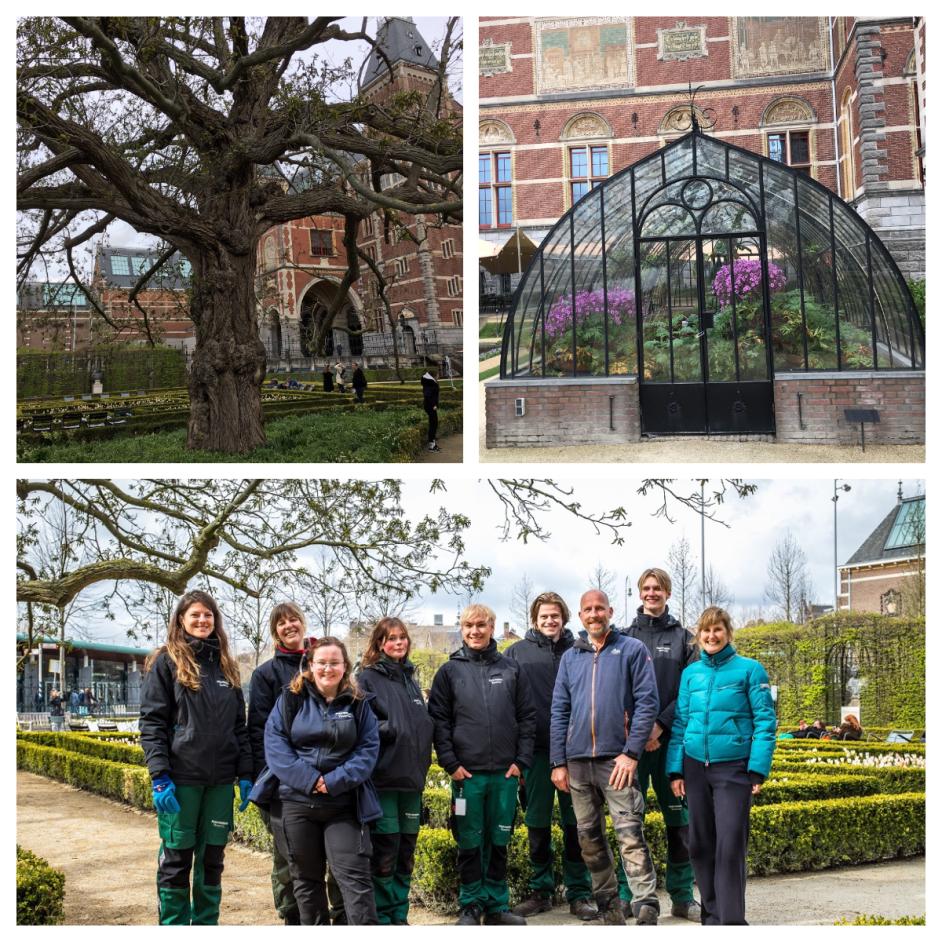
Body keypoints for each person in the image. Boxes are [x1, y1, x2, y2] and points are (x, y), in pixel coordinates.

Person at [139, 590, 253, 925]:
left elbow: (239, 728)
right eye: (195, 615)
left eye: (208, 615)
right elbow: (152, 723)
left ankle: (206, 924)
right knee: (176, 858)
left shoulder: (227, 668)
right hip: (181, 780)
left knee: (212, 860)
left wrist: (245, 774)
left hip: (219, 784)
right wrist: (159, 776)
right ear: (181, 620)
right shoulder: (165, 662)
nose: (202, 621)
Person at [549, 589, 661, 926]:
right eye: (588, 609)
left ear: (610, 611)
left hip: (618, 762)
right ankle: (609, 907)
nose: (594, 614)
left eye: (600, 608)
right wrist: (558, 762)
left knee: (630, 835)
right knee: (589, 840)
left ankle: (646, 906)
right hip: (579, 763)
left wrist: (631, 754)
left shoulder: (631, 649)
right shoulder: (571, 657)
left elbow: (647, 703)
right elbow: (559, 710)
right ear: (580, 617)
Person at [667, 607, 777, 925]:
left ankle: (731, 922)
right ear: (698, 637)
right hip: (694, 768)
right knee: (700, 844)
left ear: (728, 633)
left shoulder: (750, 670)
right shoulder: (691, 675)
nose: (711, 636)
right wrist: (675, 770)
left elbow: (765, 722)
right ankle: (711, 917)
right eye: (705, 631)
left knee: (730, 845)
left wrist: (757, 768)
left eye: (717, 630)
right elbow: (681, 722)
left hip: (733, 769)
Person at [428, 604, 536, 926]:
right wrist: (450, 763)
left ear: (492, 627)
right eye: (468, 626)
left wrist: (521, 762)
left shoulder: (511, 669)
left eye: (481, 625)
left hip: (505, 774)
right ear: (461, 630)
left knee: (499, 839)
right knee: (470, 840)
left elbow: (527, 718)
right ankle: (471, 906)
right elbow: (439, 722)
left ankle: (497, 905)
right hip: (467, 775)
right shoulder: (449, 672)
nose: (475, 631)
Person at [261, 637, 381, 926]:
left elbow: (367, 750)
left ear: (345, 666)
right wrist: (311, 780)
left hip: (343, 803)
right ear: (311, 665)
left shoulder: (359, 704)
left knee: (355, 878)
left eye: (335, 663)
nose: (328, 668)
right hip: (296, 802)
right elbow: (276, 747)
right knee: (305, 880)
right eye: (322, 662)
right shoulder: (290, 699)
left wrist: (334, 781)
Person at [615, 568, 700, 921]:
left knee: (679, 824)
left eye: (658, 588)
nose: (652, 593)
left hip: (671, 745)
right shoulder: (621, 637)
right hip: (631, 748)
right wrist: (635, 731)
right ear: (640, 593)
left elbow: (689, 688)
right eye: (646, 588)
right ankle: (626, 894)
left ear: (667, 593)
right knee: (627, 823)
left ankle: (682, 896)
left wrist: (660, 726)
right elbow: (613, 688)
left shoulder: (685, 639)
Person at [505, 592, 596, 921]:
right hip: (538, 752)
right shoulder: (515, 653)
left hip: (577, 753)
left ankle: (579, 892)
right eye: (544, 616)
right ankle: (540, 890)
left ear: (564, 617)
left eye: (555, 615)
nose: (549, 621)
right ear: (534, 618)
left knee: (578, 825)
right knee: (537, 824)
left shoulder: (581, 650)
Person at [356, 618, 434, 925]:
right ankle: (383, 917)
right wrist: (392, 729)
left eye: (402, 637)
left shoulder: (410, 679)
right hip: (385, 780)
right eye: (391, 638)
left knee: (406, 853)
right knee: (385, 853)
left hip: (412, 782)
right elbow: (361, 723)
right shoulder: (368, 678)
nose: (398, 643)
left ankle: (399, 915)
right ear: (379, 644)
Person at [247, 603, 308, 926]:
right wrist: (263, 778)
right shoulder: (265, 674)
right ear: (275, 632)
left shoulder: (321, 662)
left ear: (303, 623)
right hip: (280, 780)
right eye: (281, 623)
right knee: (287, 855)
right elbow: (257, 729)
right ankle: (291, 915)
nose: (289, 625)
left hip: (319, 777)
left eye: (293, 619)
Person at [421, 366, 440, 452]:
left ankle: (433, 444)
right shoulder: (429, 383)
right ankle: (431, 446)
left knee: (434, 424)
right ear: (434, 375)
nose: (438, 376)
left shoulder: (431, 382)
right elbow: (427, 395)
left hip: (431, 406)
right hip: (430, 407)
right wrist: (433, 405)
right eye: (438, 375)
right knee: (433, 425)